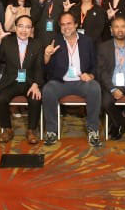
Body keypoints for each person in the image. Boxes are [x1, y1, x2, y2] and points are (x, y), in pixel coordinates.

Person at [41, 12, 102, 147]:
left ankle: (93, 130)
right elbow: (47, 70)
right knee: (48, 89)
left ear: (76, 25)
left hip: (81, 81)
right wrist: (47, 56)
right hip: (61, 82)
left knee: (94, 88)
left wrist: (91, 76)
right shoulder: (54, 42)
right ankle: (51, 131)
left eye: (69, 23)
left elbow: (95, 64)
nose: (66, 27)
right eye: (63, 24)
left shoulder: (87, 41)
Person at [0, 14, 45, 144]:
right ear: (15, 28)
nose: (24, 30)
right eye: (21, 26)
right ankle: (7, 129)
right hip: (11, 81)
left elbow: (39, 66)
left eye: (28, 27)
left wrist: (36, 84)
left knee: (35, 98)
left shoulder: (37, 44)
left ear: (31, 29)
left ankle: (31, 130)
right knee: (0, 98)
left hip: (29, 82)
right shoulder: (7, 42)